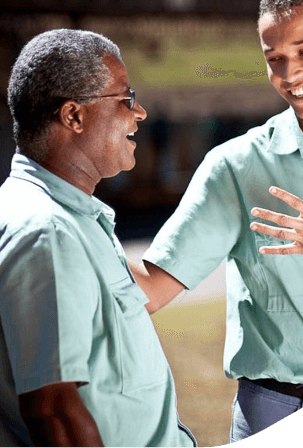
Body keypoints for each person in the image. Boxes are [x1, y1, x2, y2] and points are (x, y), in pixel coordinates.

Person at [130, 0, 303, 440]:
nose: (290, 75)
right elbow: (151, 290)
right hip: (279, 410)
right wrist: (73, 230)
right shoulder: (236, 167)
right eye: (275, 59)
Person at [0, 29, 197, 448]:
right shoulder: (48, 234)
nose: (139, 112)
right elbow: (54, 413)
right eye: (126, 99)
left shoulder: (73, 218)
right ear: (73, 116)